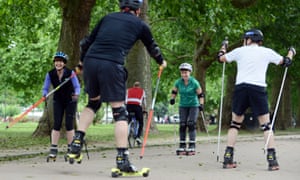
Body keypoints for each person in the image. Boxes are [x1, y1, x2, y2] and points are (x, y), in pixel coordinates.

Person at [68, 0, 167, 172]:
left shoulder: (107, 18)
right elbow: (152, 47)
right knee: (120, 112)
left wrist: (81, 63)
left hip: (91, 61)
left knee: (93, 102)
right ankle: (122, 160)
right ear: (138, 10)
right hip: (112, 64)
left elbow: (86, 42)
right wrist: (161, 61)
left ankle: (76, 141)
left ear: (121, 7)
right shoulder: (140, 24)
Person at [217, 29, 296, 170]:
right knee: (266, 125)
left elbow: (221, 58)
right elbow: (285, 62)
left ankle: (228, 158)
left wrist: (223, 47)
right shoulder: (266, 52)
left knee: (235, 124)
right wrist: (291, 52)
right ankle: (272, 160)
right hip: (258, 88)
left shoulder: (240, 51)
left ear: (248, 40)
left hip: (241, 88)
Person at [42, 51, 81, 160]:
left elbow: (77, 86)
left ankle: (70, 149)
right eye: (56, 62)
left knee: (69, 125)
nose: (58, 63)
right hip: (58, 100)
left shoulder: (70, 73)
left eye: (60, 62)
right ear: (54, 63)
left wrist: (77, 94)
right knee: (56, 124)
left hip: (70, 100)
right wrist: (44, 95)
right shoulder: (50, 74)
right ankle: (53, 149)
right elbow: (45, 88)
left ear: (64, 63)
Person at [169, 63, 205, 155]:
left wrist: (201, 104)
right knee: (182, 124)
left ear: (190, 72)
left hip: (194, 105)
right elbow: (174, 91)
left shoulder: (194, 82)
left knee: (191, 123)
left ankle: (192, 145)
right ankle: (182, 145)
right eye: (182, 72)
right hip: (183, 105)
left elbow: (200, 95)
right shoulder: (178, 82)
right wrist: (172, 98)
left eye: (186, 72)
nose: (184, 74)